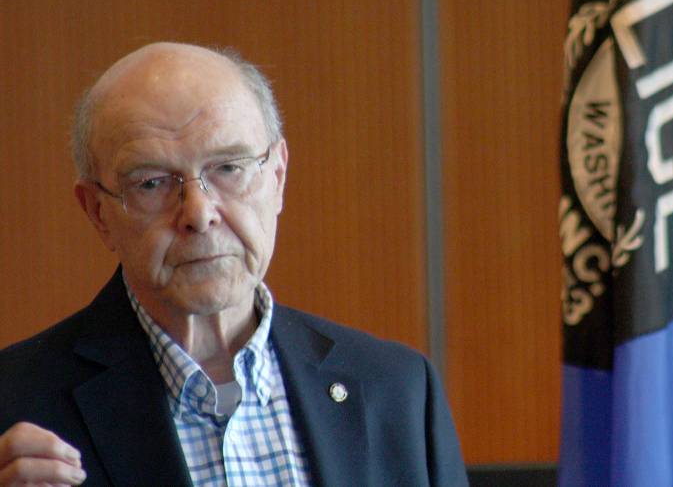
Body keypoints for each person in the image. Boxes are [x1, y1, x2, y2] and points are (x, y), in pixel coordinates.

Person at [0, 42, 467, 486]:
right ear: (98, 212)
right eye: (151, 183)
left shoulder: (398, 391)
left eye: (228, 168)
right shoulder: (17, 404)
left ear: (277, 177)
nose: (198, 213)